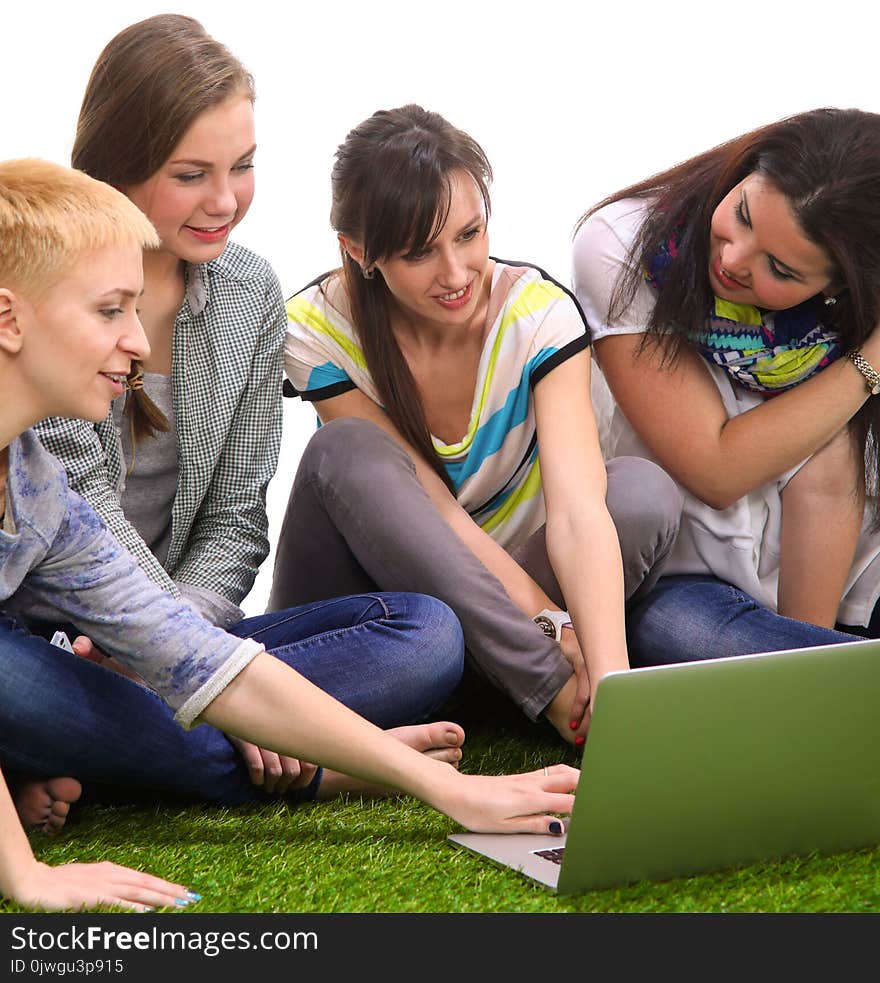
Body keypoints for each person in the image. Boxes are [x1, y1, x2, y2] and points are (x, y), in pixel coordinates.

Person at [0, 156, 578, 909]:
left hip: (68, 676)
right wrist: (24, 873)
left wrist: (445, 789)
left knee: (421, 631)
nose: (139, 343)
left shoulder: (35, 485)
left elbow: (197, 653)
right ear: (9, 319)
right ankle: (296, 768)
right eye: (110, 311)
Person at [26, 14, 465, 825]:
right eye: (191, 174)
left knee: (426, 633)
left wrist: (197, 656)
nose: (225, 200)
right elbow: (78, 522)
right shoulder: (46, 287)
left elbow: (235, 522)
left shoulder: (249, 292)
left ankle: (106, 755)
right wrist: (191, 670)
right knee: (22, 682)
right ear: (116, 167)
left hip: (169, 636)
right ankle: (303, 765)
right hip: (58, 638)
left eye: (245, 165)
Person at [271, 104, 682, 746]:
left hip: (495, 613)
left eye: (469, 234)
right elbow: (437, 514)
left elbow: (578, 511)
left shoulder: (536, 317)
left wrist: (608, 673)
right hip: (377, 612)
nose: (457, 274)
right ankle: (538, 691)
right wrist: (550, 637)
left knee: (639, 493)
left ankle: (489, 683)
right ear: (359, 252)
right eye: (420, 253)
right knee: (345, 448)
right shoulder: (316, 330)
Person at [571, 106, 880, 665]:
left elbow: (831, 476)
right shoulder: (622, 246)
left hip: (852, 578)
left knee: (814, 668)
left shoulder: (844, 328)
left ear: (843, 288)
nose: (733, 259)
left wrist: (812, 649)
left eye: (781, 270)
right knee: (702, 643)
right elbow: (716, 469)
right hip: (685, 577)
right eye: (741, 213)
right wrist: (869, 363)